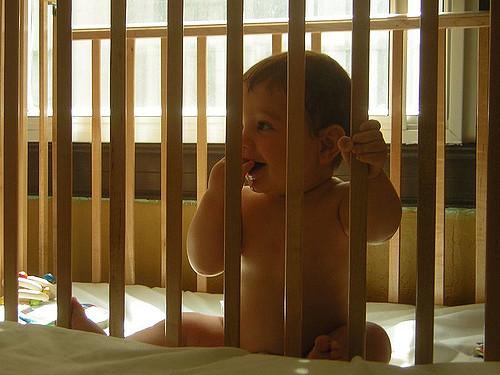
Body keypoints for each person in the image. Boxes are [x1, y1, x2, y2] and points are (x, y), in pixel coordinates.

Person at [71, 51, 401, 362]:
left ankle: (335, 352)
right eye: (243, 125)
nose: (242, 140)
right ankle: (114, 348)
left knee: (374, 339)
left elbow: (381, 227)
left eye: (263, 126)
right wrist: (217, 195)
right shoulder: (243, 202)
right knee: (183, 326)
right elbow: (205, 262)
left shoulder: (341, 201)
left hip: (318, 341)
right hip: (239, 339)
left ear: (327, 144)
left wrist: (371, 177)